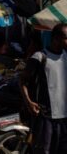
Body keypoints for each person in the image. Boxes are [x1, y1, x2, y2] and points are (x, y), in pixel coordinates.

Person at [21, 24, 67, 154]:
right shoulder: (40, 57)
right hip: (46, 117)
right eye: (66, 38)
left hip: (64, 119)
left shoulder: (66, 56)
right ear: (56, 38)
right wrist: (29, 102)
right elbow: (22, 81)